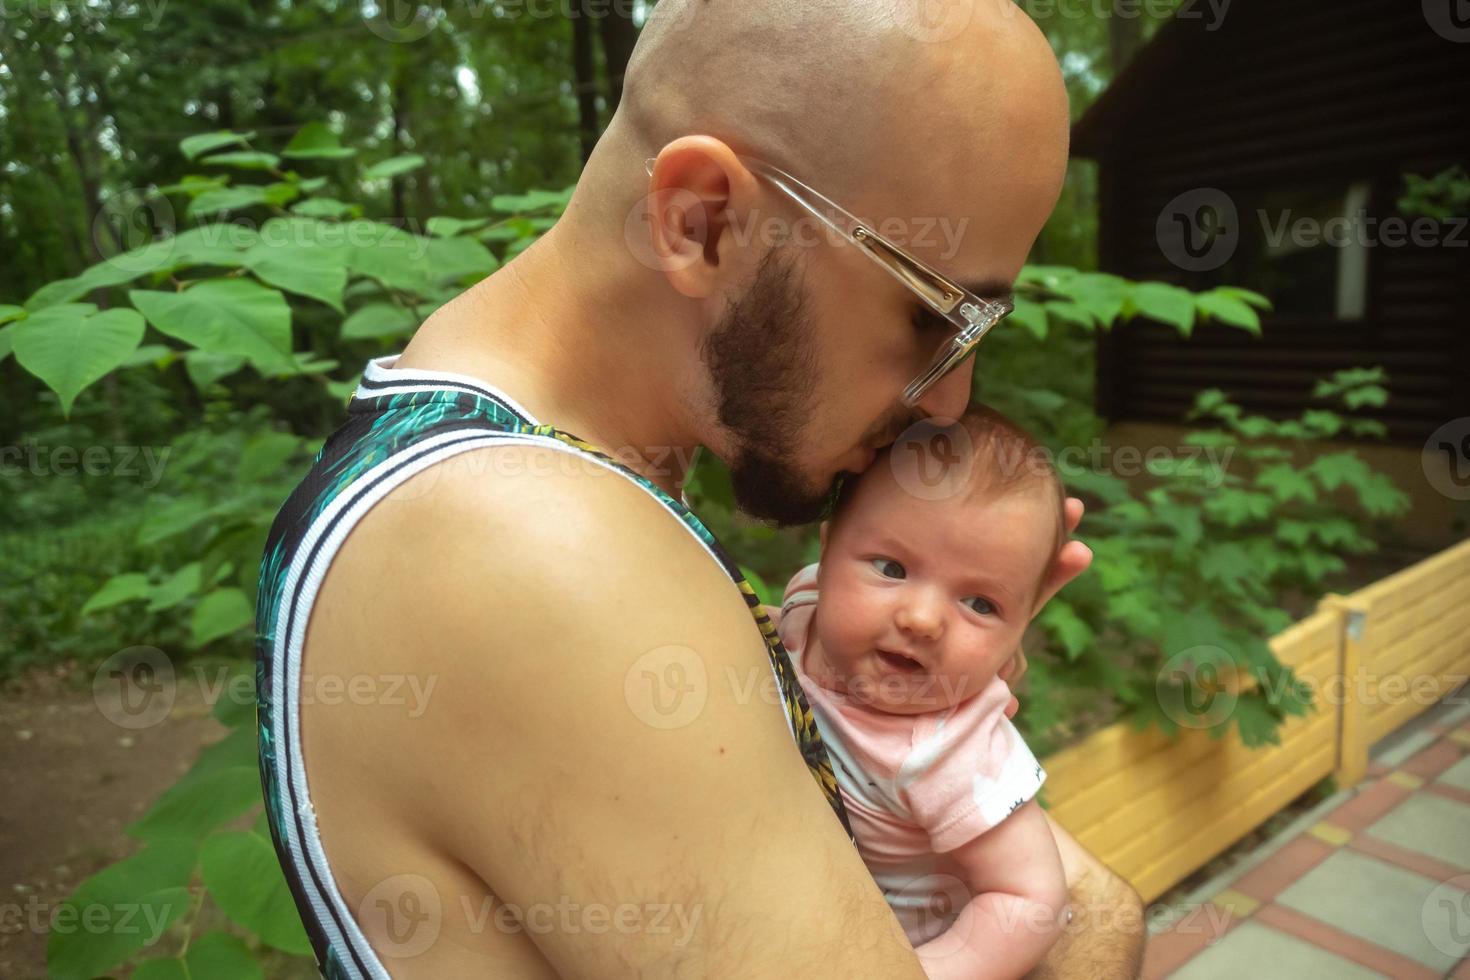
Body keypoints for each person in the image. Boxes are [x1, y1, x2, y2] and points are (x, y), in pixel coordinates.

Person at [254, 1, 1147, 976]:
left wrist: (937, 707)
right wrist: (1100, 913)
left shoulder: (505, 454)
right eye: (939, 317)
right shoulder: (534, 546)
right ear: (703, 221)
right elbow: (1060, 913)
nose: (953, 400)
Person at [774, 406, 1073, 980]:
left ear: (1021, 630)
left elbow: (1029, 900)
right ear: (828, 548)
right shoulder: (805, 605)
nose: (922, 618)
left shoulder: (954, 752)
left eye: (981, 604)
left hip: (885, 949)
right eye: (890, 568)